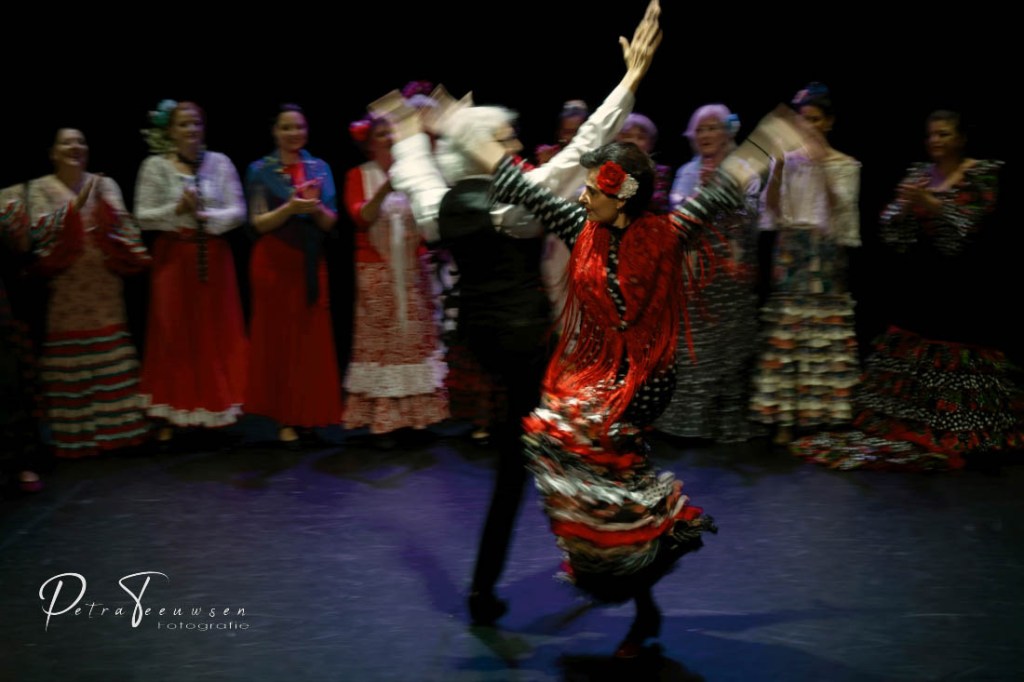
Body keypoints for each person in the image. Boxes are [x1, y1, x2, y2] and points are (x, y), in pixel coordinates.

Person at [376, 1, 653, 634]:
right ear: (482, 153)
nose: (517, 147)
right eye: (505, 140)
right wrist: (631, 80)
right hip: (528, 342)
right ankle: (628, 585)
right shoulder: (516, 204)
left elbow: (414, 171)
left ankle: (485, 589)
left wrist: (411, 130)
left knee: (518, 462)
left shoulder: (441, 205)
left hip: (484, 339)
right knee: (583, 455)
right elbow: (584, 149)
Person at [793, 110, 1022, 470]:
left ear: (961, 138)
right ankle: (912, 423)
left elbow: (972, 228)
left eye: (944, 134)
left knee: (956, 351)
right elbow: (890, 228)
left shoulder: (982, 173)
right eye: (931, 135)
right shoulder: (919, 173)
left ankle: (955, 427)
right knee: (916, 346)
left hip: (966, 282)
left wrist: (933, 206)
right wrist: (903, 209)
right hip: (923, 278)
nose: (935, 141)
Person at [26, 128, 152, 457]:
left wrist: (109, 230)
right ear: (53, 152)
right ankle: (75, 435)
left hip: (103, 285)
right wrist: (72, 213)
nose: (75, 146)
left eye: (80, 141)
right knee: (70, 354)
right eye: (66, 142)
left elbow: (125, 225)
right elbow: (38, 234)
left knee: (109, 349)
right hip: (64, 287)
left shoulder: (104, 184)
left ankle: (117, 431)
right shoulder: (39, 188)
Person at [749, 83, 862, 445]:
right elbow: (771, 212)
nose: (808, 127)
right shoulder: (787, 161)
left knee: (821, 333)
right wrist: (780, 167)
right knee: (788, 332)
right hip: (791, 252)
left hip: (825, 253)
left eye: (814, 120)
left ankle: (822, 416)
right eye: (802, 121)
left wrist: (820, 162)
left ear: (828, 122)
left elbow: (839, 213)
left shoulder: (844, 164)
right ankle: (784, 417)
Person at [135, 100, 248, 448]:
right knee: (173, 333)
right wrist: (177, 208)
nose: (191, 130)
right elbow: (142, 215)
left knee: (215, 332)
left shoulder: (219, 162)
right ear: (170, 130)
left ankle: (216, 410)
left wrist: (205, 216)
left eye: (196, 123)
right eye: (183, 124)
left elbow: (238, 211)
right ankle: (171, 413)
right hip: (173, 257)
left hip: (213, 257)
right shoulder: (155, 166)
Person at [655, 104, 764, 443]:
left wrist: (723, 197)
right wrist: (699, 193)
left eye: (713, 128)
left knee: (730, 345)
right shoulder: (687, 171)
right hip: (695, 271)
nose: (705, 135)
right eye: (700, 129)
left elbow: (754, 216)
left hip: (731, 270)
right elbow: (677, 218)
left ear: (727, 132)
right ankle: (690, 426)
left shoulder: (743, 169)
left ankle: (726, 425)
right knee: (695, 347)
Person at [342, 113, 448, 444]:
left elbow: (431, 221)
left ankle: (417, 418)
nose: (389, 138)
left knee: (413, 340)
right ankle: (384, 420)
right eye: (382, 133)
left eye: (393, 133)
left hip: (413, 268)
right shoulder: (359, 175)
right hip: (376, 270)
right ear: (369, 142)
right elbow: (361, 216)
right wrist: (386, 187)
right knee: (382, 344)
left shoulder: (415, 174)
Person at [244, 104, 342, 448]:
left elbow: (330, 221)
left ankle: (309, 415)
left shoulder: (320, 168)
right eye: (286, 127)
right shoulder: (260, 170)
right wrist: (290, 207)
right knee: (280, 341)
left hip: (310, 262)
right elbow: (257, 223)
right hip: (273, 263)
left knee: (311, 342)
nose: (294, 133)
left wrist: (313, 207)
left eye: (299, 127)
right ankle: (285, 418)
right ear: (275, 132)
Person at [615, 112, 672, 212]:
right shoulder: (608, 168)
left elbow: (658, 204)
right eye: (627, 136)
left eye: (641, 138)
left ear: (650, 144)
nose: (634, 142)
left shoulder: (660, 172)